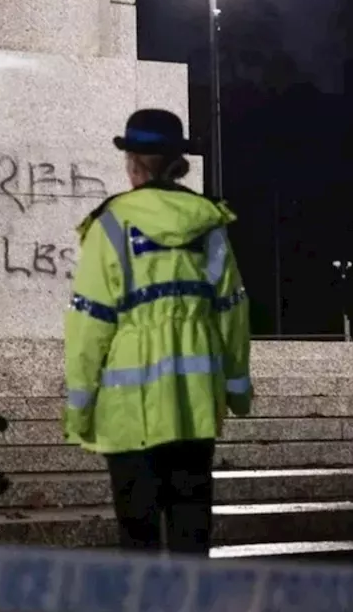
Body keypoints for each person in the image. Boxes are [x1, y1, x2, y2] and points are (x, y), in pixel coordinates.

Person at [63, 108, 252, 555]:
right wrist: (237, 391)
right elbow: (232, 313)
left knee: (139, 538)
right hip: (195, 406)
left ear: (131, 164)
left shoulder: (109, 225)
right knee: (191, 533)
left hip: (130, 415)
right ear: (175, 161)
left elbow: (89, 325)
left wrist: (79, 408)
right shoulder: (208, 223)